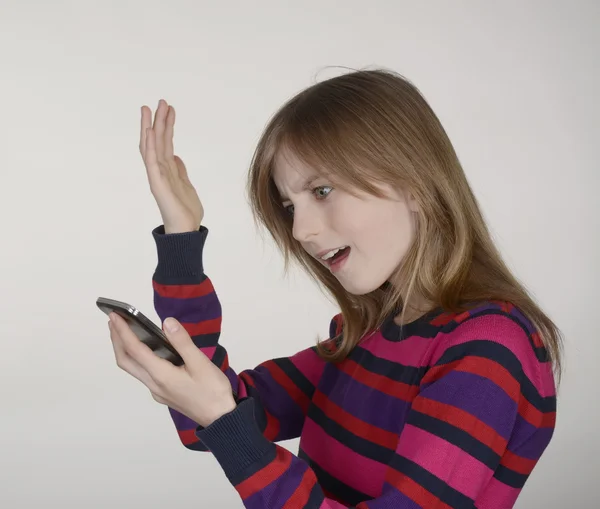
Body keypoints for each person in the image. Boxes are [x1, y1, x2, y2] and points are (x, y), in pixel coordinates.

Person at [107, 68, 562, 508]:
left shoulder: (487, 349)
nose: (301, 230)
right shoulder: (365, 336)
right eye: (290, 205)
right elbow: (216, 412)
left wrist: (224, 424)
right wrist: (182, 237)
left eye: (322, 191)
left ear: (415, 184)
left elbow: (226, 421)